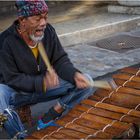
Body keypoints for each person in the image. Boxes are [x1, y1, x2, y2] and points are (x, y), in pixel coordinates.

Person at [0, 0, 94, 139]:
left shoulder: (48, 31)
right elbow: (12, 78)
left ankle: (48, 118)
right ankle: (20, 136)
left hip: (44, 88)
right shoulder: (6, 40)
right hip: (17, 93)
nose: (43, 22)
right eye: (37, 18)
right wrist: (41, 83)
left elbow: (60, 60)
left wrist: (74, 74)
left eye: (45, 16)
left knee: (88, 80)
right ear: (22, 20)